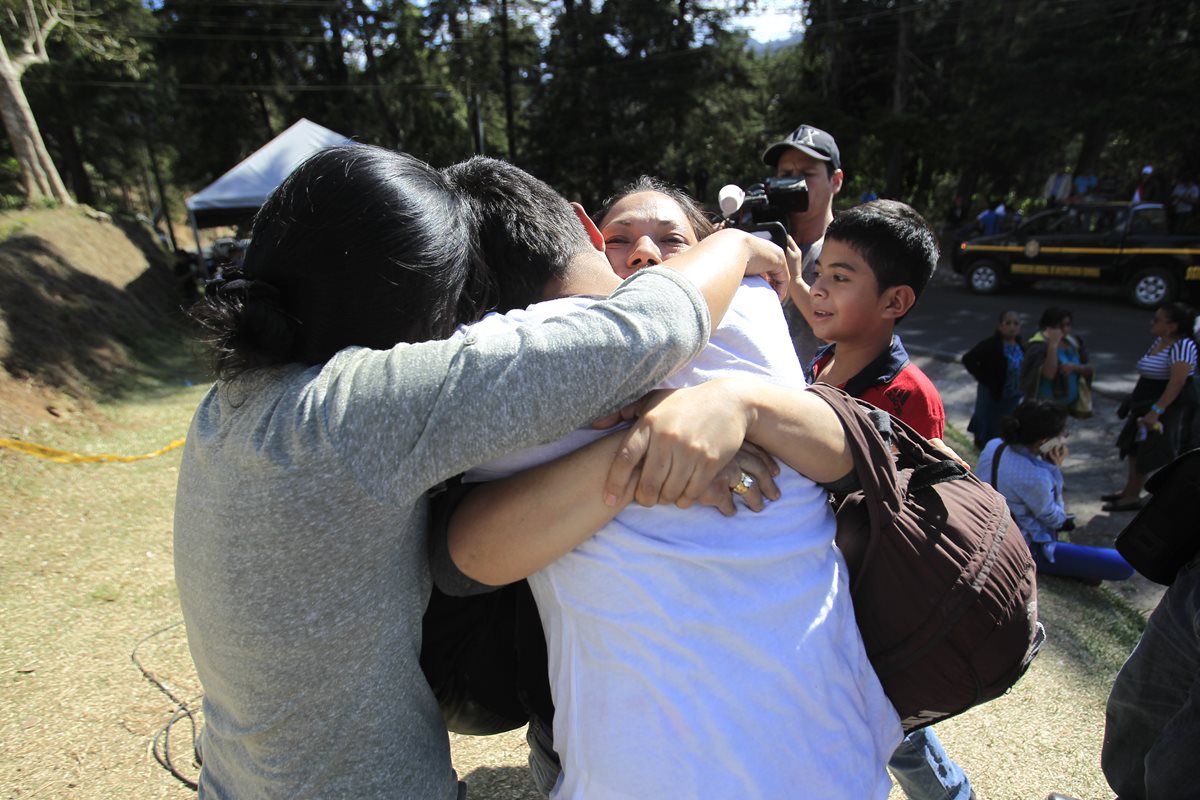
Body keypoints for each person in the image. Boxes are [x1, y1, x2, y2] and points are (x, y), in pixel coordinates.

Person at [171, 144, 789, 799]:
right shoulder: (356, 410)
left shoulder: (238, 402)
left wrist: (627, 449)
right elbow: (647, 328)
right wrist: (736, 244)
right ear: (400, 298)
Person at [435, 165, 902, 798]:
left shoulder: (745, 311)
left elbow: (850, 454)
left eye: (674, 240)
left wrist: (737, 404)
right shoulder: (529, 355)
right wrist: (654, 430)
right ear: (586, 233)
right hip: (792, 749)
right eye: (621, 238)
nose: (645, 253)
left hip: (782, 744)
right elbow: (466, 553)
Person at [791, 198, 976, 798]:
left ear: (895, 302)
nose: (820, 289)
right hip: (822, 582)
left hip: (870, 595)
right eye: (819, 273)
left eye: (840, 278)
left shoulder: (908, 395)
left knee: (892, 729)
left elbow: (918, 507)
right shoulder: (824, 360)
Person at [976, 400, 1134, 584]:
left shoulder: (994, 445)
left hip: (981, 525)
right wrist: (1055, 469)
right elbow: (1056, 519)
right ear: (1044, 441)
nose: (1063, 438)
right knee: (1123, 565)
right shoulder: (1037, 475)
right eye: (1062, 434)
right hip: (1016, 547)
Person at [760, 122, 844, 366]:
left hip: (815, 387)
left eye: (807, 174)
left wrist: (796, 281)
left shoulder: (849, 251)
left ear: (835, 181)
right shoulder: (761, 240)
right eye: (786, 175)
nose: (794, 184)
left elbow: (842, 336)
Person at [1103, 301, 1198, 512]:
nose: (1151, 322)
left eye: (1157, 320)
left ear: (1171, 326)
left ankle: (1135, 497)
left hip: (1162, 409)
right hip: (1143, 405)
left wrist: (1156, 411)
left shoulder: (1182, 346)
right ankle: (1129, 491)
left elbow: (1177, 382)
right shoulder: (1160, 341)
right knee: (1133, 449)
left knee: (1147, 452)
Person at [963, 310, 1026, 449]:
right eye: (1008, 323)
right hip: (992, 395)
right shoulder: (991, 344)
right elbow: (968, 359)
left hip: (1012, 397)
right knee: (988, 425)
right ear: (1000, 326)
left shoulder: (1021, 346)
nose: (1012, 327)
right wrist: (985, 379)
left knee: (1005, 427)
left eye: (1016, 323)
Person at [1020, 306, 1095, 415]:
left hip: (1067, 407)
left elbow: (1089, 368)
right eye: (1059, 326)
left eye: (1068, 325)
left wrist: (1074, 367)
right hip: (1045, 408)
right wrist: (1053, 345)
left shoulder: (1073, 342)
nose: (1064, 329)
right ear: (1048, 327)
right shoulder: (1038, 346)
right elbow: (1049, 374)